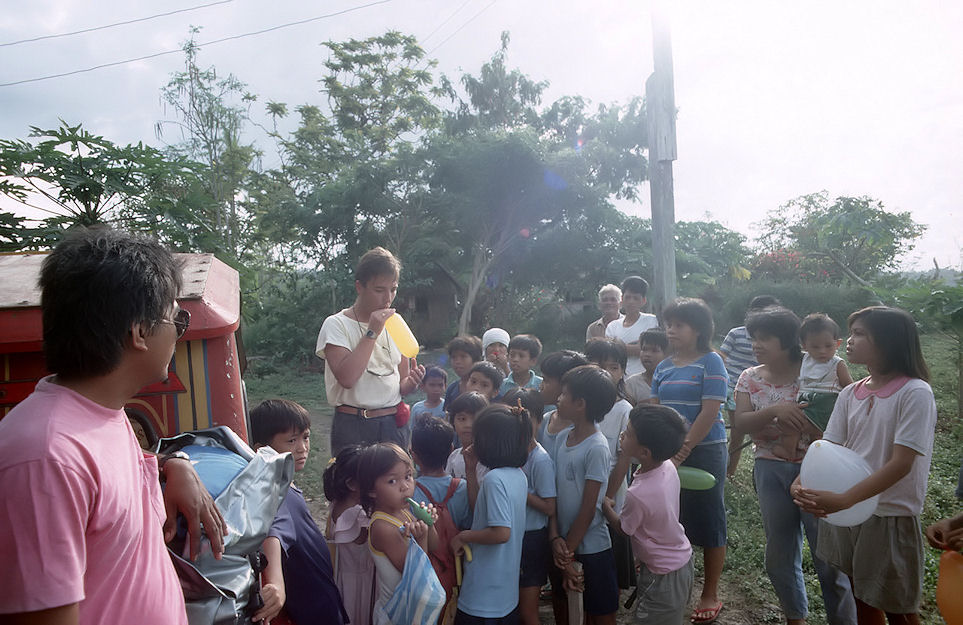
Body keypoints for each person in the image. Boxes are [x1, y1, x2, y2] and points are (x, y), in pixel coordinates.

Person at [0, 227, 226, 623]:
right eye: (177, 318)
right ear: (140, 332)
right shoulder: (45, 457)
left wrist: (175, 464)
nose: (179, 333)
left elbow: (110, 491)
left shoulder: (103, 413)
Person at [794, 306, 938, 625]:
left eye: (859, 334)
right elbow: (827, 446)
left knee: (897, 606)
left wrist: (847, 498)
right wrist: (801, 480)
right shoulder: (850, 392)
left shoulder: (915, 392)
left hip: (888, 512)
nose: (849, 340)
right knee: (861, 594)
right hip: (848, 512)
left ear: (888, 341)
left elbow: (901, 464)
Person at [734, 308, 856, 625]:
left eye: (765, 338)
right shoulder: (749, 377)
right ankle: (794, 617)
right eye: (754, 338)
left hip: (817, 469)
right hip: (770, 468)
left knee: (828, 557)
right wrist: (775, 410)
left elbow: (847, 405)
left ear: (788, 341)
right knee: (779, 553)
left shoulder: (817, 367)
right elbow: (741, 422)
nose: (757, 345)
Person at [650, 298, 728, 624]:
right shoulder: (663, 366)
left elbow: (710, 410)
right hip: (667, 453)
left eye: (679, 324)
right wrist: (662, 452)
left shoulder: (711, 361)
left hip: (705, 450)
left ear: (698, 329)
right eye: (669, 324)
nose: (671, 330)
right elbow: (655, 412)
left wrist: (682, 450)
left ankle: (710, 592)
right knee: (670, 518)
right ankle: (674, 584)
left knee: (710, 520)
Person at [316, 247, 426, 455]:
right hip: (353, 424)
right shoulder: (336, 324)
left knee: (392, 486)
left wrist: (411, 383)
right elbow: (347, 378)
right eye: (379, 290)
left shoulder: (396, 324)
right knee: (353, 486)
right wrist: (372, 332)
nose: (387, 298)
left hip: (392, 424)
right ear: (360, 287)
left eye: (393, 289)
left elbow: (401, 384)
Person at [250, 399, 348, 625]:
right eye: (291, 441)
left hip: (324, 603)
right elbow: (272, 532)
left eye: (306, 437)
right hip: (310, 611)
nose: (302, 447)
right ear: (261, 450)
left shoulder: (288, 486)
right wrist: (275, 583)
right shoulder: (273, 493)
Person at [603, 404, 693, 625]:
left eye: (629, 433)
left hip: (663, 574)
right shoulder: (668, 467)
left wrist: (605, 506)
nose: (623, 434)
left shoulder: (639, 494)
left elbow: (624, 528)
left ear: (644, 452)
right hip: (679, 560)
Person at [550, 365, 620, 625]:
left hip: (592, 547)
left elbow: (590, 507)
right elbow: (554, 494)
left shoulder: (597, 447)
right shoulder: (561, 439)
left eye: (564, 394)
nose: (558, 398)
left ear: (580, 404)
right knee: (568, 606)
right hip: (563, 544)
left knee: (600, 611)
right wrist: (556, 537)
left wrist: (566, 552)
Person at [451, 404, 530, 624]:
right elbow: (483, 513)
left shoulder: (495, 480)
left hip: (483, 592)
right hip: (504, 591)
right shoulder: (516, 475)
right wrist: (470, 469)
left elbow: (500, 532)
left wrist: (463, 536)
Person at [360, 443, 440, 624]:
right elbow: (417, 577)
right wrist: (421, 538)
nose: (405, 486)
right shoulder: (382, 527)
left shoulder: (404, 511)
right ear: (371, 490)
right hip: (395, 615)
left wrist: (429, 524)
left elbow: (435, 546)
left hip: (409, 610)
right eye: (392, 481)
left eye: (408, 476)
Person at [585, 338, 636, 593]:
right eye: (598, 365)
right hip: (583, 488)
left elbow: (623, 458)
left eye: (614, 367)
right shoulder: (580, 405)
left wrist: (607, 497)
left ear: (622, 371)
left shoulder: (623, 409)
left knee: (608, 547)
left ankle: (608, 597)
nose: (606, 372)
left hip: (610, 491)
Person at [501, 388, 554, 625]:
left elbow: (549, 507)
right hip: (510, 536)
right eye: (512, 418)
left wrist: (519, 486)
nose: (519, 425)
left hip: (532, 539)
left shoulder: (540, 459)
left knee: (528, 611)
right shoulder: (505, 454)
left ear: (539, 422)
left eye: (526, 419)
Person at [410, 417, 472, 617]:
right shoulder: (462, 488)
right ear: (451, 448)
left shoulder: (410, 493)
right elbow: (468, 524)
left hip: (424, 574)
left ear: (413, 455)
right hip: (458, 570)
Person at [771, 313, 854, 460]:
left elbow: (850, 388)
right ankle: (817, 458)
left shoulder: (837, 363)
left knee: (789, 423)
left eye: (828, 346)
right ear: (804, 345)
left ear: (838, 343)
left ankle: (788, 451)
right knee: (817, 435)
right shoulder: (805, 359)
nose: (822, 351)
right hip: (807, 401)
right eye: (815, 346)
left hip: (825, 403)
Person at [721, 294, 781, 475]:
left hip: (763, 389)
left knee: (765, 432)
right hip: (735, 387)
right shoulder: (736, 333)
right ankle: (729, 472)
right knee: (739, 432)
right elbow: (722, 357)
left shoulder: (776, 339)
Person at [323, 445, 375, 625]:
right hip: (359, 584)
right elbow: (367, 539)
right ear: (352, 484)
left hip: (343, 577)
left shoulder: (337, 503)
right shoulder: (356, 515)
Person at [536, 350, 589, 455]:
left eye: (546, 380)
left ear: (565, 385)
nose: (540, 386)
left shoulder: (584, 430)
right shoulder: (546, 419)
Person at [604, 276, 658, 377]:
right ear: (622, 299)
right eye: (628, 297)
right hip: (619, 381)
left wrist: (620, 346)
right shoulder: (612, 326)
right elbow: (610, 353)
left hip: (644, 380)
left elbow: (648, 349)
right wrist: (636, 345)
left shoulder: (651, 320)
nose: (631, 301)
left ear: (643, 301)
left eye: (636, 298)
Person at [624, 328, 667, 406]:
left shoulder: (674, 381)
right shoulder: (632, 384)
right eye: (644, 349)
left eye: (654, 350)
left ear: (667, 354)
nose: (647, 354)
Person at [444, 335, 483, 406]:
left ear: (475, 359)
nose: (457, 361)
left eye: (463, 356)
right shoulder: (452, 389)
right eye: (454, 357)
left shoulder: (486, 388)